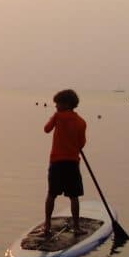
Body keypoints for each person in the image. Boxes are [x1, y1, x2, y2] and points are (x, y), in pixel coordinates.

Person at [43, 89, 86, 237]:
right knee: (74, 196)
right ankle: (76, 227)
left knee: (51, 194)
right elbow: (81, 144)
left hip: (56, 162)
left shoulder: (58, 117)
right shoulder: (81, 122)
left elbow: (46, 129)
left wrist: (54, 117)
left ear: (66, 104)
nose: (56, 106)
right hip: (72, 163)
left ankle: (47, 225)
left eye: (58, 104)